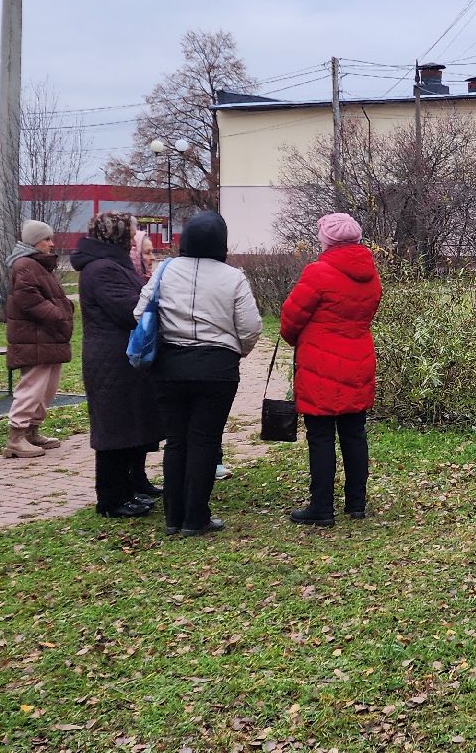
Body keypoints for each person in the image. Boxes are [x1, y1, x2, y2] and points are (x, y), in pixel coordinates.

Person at [138, 211, 261, 537]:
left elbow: (140, 313)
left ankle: (173, 517)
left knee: (176, 441)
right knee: (205, 440)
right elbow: (250, 327)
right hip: (216, 368)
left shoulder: (165, 270)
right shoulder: (233, 277)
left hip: (169, 366)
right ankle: (196, 518)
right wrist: (234, 351)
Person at [280, 212, 382, 528]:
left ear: (326, 241)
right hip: (358, 359)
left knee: (321, 435)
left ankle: (321, 507)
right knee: (354, 432)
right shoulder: (371, 275)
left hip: (320, 364)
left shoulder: (318, 272)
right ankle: (357, 503)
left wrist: (301, 338)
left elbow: (290, 319)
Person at [71, 213, 162, 519]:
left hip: (121, 356)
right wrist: (153, 294)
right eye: (132, 234)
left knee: (128, 423)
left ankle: (130, 487)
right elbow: (128, 310)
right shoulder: (102, 269)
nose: (135, 239)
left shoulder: (112, 264)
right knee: (113, 429)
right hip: (109, 358)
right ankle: (111, 498)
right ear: (118, 236)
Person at [4, 220, 74, 459]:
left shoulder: (37, 265)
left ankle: (31, 431)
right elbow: (29, 300)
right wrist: (59, 315)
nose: (51, 243)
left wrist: (64, 310)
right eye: (47, 239)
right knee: (32, 387)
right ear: (34, 241)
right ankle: (16, 437)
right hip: (34, 337)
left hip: (46, 337)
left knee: (47, 388)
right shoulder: (25, 265)